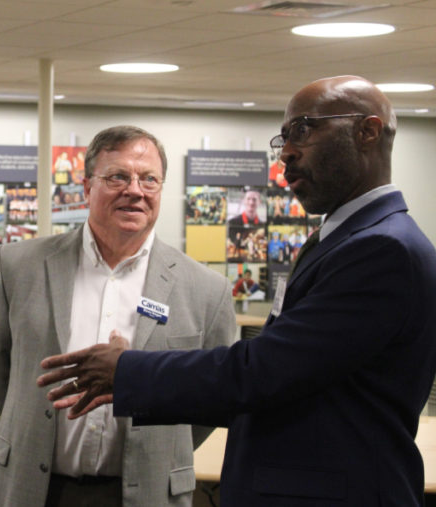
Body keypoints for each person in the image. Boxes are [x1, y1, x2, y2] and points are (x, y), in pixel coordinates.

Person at [37, 76, 436, 505]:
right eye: (283, 137)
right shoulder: (343, 239)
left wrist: (127, 371)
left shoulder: (382, 248)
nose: (286, 152)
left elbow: (266, 371)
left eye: (303, 130)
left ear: (367, 131)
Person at [0, 125, 236, 507]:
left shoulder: (206, 290)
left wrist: (160, 448)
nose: (135, 190)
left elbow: (212, 400)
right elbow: (1, 375)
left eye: (149, 179)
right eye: (118, 176)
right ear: (87, 188)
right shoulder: (18, 266)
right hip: (33, 489)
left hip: (146, 493)